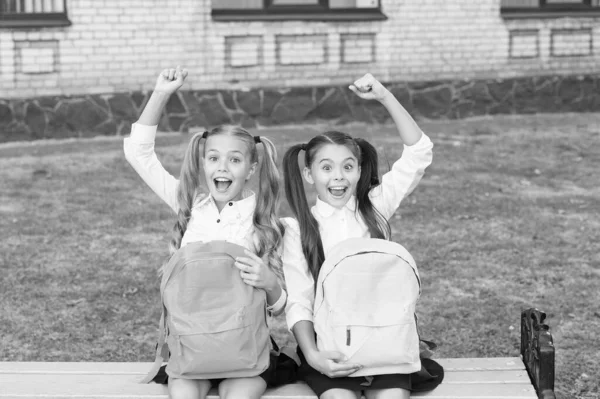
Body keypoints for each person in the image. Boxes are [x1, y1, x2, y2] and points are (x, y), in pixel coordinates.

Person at [124, 66, 287, 399]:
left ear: (252, 168)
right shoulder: (188, 206)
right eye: (213, 158)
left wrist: (269, 282)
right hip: (190, 353)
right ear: (202, 164)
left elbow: (280, 306)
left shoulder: (265, 225)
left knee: (238, 395)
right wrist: (162, 93)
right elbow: (137, 153)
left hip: (245, 355)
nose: (222, 167)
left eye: (234, 160)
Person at [281, 73, 438, 399]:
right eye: (326, 167)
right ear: (309, 174)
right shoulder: (298, 230)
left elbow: (419, 152)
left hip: (385, 346)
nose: (338, 176)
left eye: (347, 166)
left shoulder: (375, 207)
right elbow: (299, 301)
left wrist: (383, 95)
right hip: (330, 347)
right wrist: (313, 355)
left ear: (359, 170)